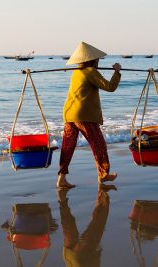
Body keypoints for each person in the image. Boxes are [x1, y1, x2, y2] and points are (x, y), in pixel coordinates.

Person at [57, 42, 121, 188]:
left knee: (68, 147)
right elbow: (110, 87)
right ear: (92, 60)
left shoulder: (76, 72)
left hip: (69, 114)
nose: (98, 62)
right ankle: (103, 174)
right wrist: (117, 72)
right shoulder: (90, 71)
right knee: (98, 145)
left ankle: (61, 178)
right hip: (84, 116)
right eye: (96, 59)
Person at [58, 185, 115, 267]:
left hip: (84, 259)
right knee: (68, 224)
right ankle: (62, 200)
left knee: (98, 223)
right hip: (68, 256)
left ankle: (102, 189)